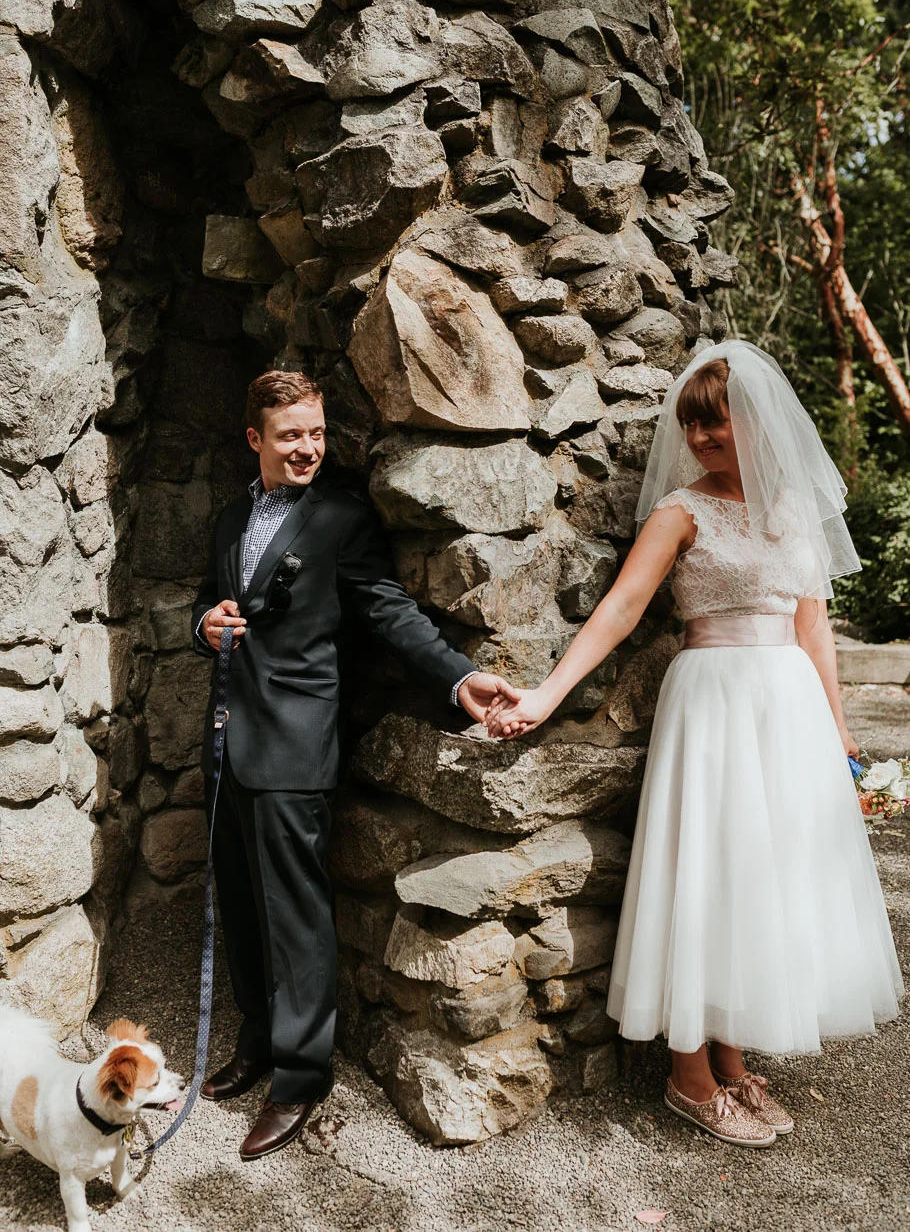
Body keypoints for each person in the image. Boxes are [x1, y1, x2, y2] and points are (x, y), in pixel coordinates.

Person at [485, 340, 903, 1147]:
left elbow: (814, 630)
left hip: (788, 712)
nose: (706, 438)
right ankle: (689, 1071)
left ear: (759, 422)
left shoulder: (796, 513)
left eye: (720, 422)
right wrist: (545, 693)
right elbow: (620, 608)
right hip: (712, 703)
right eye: (694, 425)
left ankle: (733, 1056)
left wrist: (841, 734)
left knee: (762, 880)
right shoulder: (682, 510)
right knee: (707, 871)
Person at [191, 370, 515, 1160]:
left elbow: (387, 608)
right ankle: (259, 1037)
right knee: (240, 898)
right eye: (291, 435)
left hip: (296, 744)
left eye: (317, 432)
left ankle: (301, 1076)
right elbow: (210, 595)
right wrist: (206, 621)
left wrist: (458, 676)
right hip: (229, 739)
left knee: (296, 915)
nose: (308, 447)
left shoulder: (339, 518)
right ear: (255, 441)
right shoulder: (233, 515)